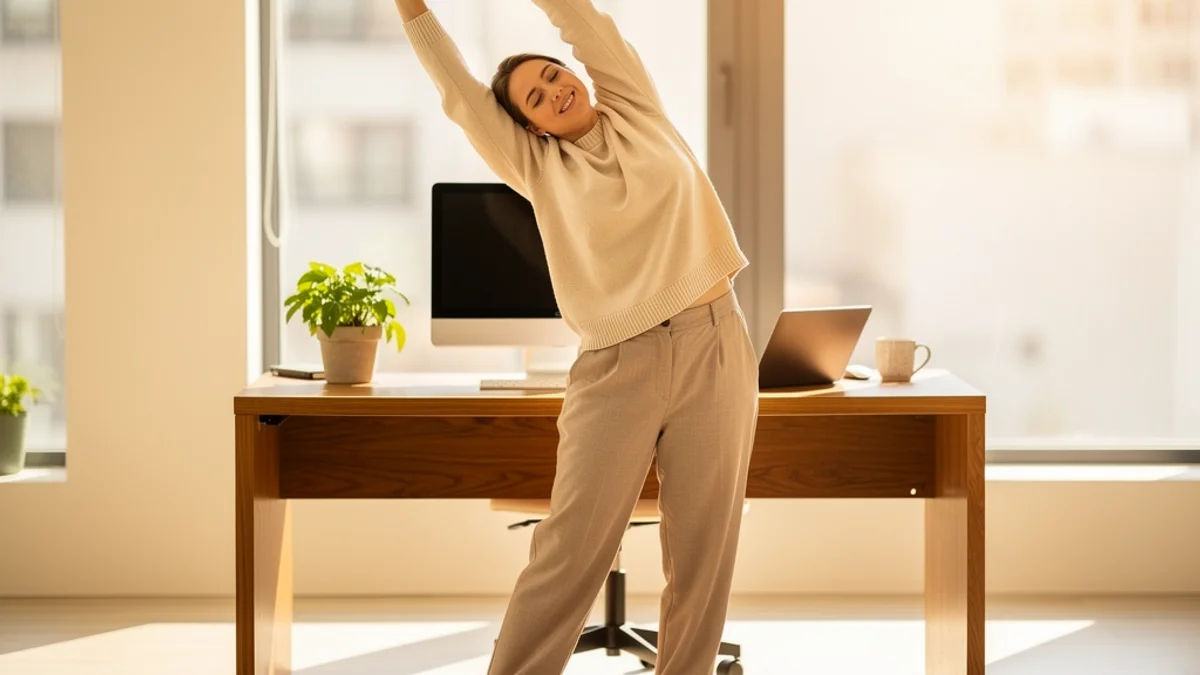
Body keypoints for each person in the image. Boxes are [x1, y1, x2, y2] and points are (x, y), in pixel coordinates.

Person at [393, 1, 759, 673]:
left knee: (705, 555)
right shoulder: (538, 168)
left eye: (554, 75)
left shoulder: (636, 107)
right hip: (618, 368)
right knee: (568, 552)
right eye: (535, 97)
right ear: (528, 127)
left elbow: (583, 22)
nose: (555, 91)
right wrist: (411, 7)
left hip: (716, 342)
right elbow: (458, 90)